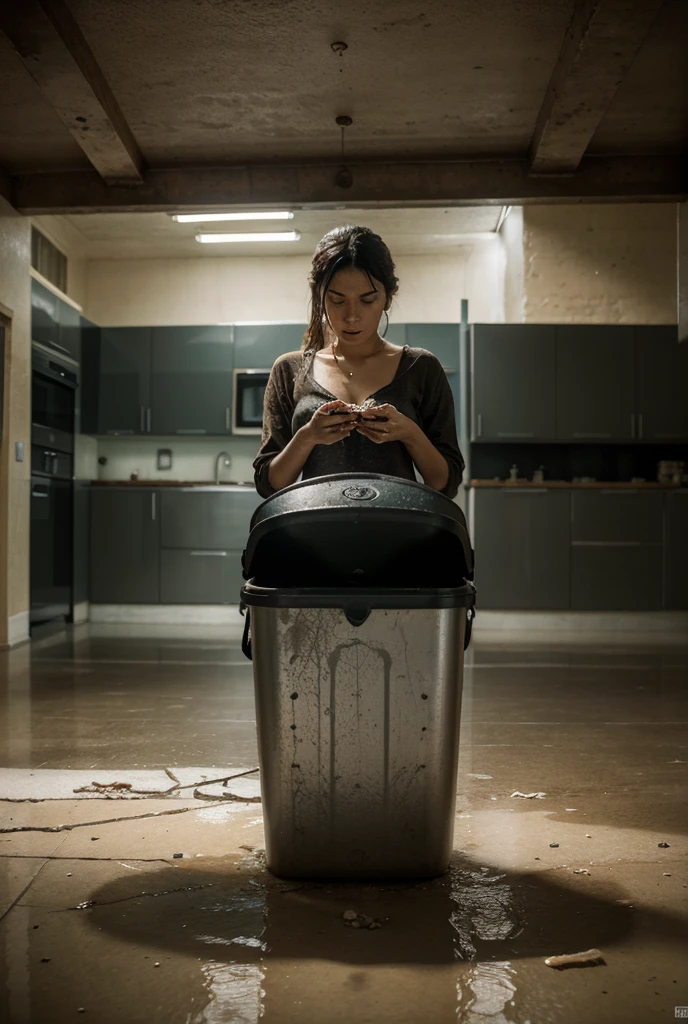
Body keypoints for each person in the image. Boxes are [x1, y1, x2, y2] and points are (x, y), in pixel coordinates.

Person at [253, 225, 465, 500]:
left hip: (398, 525)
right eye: (337, 300)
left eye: (367, 300)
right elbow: (269, 485)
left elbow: (444, 483)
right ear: (319, 297)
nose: (352, 316)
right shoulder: (289, 370)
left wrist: (409, 433)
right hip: (313, 525)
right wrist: (308, 436)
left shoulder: (421, 368)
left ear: (388, 297)